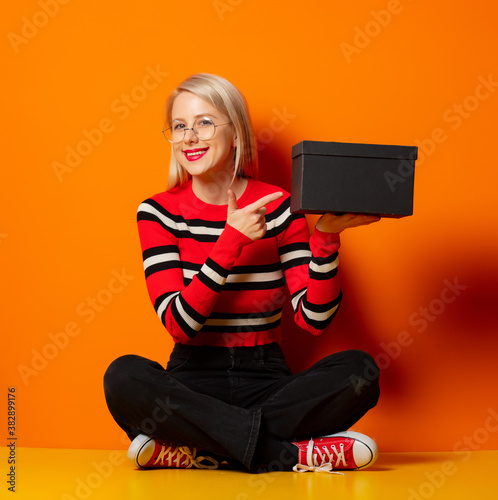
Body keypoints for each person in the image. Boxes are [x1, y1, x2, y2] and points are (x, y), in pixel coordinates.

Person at [103, 73, 381, 473]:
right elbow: (180, 325)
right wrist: (230, 241)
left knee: (360, 370)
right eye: (179, 126)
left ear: (237, 133)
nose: (189, 137)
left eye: (204, 122)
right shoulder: (158, 212)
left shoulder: (282, 206)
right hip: (192, 380)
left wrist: (326, 238)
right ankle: (290, 455)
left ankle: (197, 449)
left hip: (267, 377)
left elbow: (314, 320)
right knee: (124, 377)